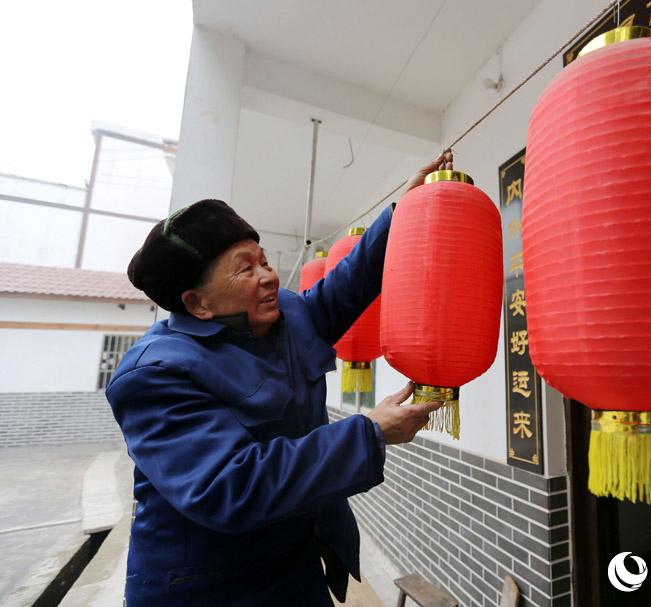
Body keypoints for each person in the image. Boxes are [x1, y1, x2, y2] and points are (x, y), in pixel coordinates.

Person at [107, 150, 454, 606]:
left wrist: (400, 216)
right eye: (245, 269)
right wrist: (370, 433)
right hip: (207, 588)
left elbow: (342, 290)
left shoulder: (283, 315)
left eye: (264, 260)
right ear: (198, 304)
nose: (268, 276)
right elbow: (229, 486)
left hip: (295, 559)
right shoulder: (155, 375)